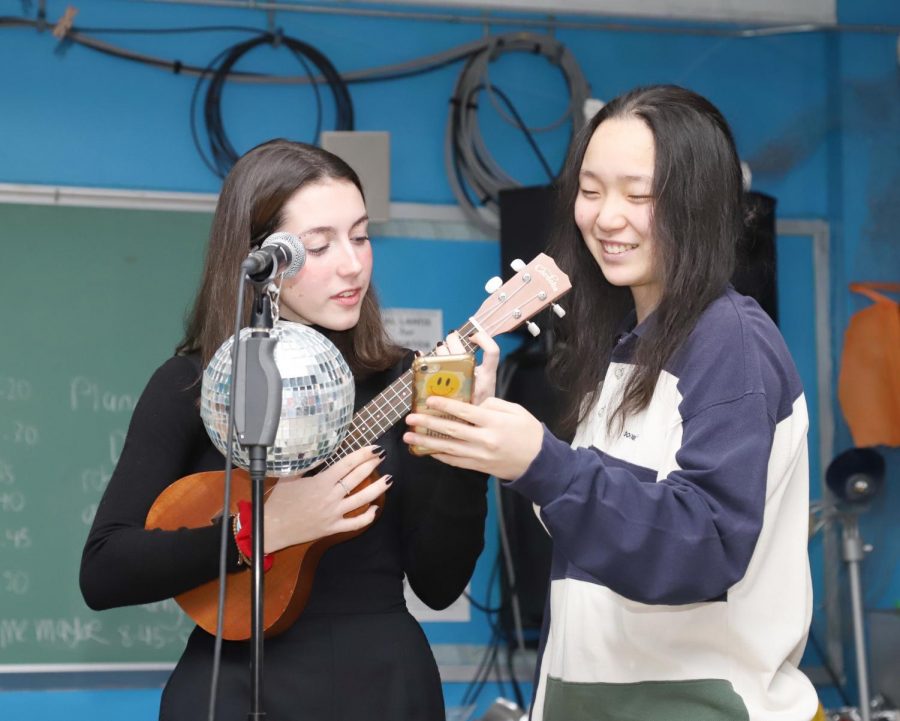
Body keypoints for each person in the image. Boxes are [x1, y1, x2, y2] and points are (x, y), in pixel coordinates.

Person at [403, 85, 818, 721]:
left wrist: (542, 463)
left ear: (697, 204)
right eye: (590, 191)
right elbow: (610, 531)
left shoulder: (729, 339)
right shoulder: (621, 351)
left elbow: (702, 544)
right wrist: (490, 433)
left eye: (638, 194)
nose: (605, 217)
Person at [80, 138, 499, 721]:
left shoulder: (406, 379)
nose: (352, 264)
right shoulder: (194, 384)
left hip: (382, 688)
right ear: (261, 260)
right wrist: (261, 529)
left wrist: (464, 452)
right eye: (320, 246)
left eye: (360, 235)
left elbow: (440, 583)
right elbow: (104, 571)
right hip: (230, 688)